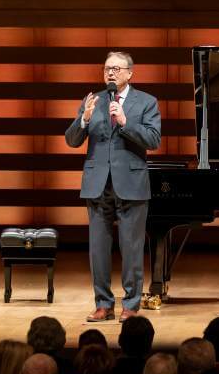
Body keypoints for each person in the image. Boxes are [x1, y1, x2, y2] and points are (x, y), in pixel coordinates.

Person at [65, 51, 162, 323]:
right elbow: (72, 140)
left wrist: (125, 122)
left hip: (131, 184)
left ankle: (130, 305)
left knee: (131, 249)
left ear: (130, 73)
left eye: (117, 69)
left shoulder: (147, 102)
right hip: (98, 185)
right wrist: (84, 119)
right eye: (107, 68)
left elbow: (153, 140)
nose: (110, 73)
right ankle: (103, 305)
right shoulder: (92, 100)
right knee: (98, 250)